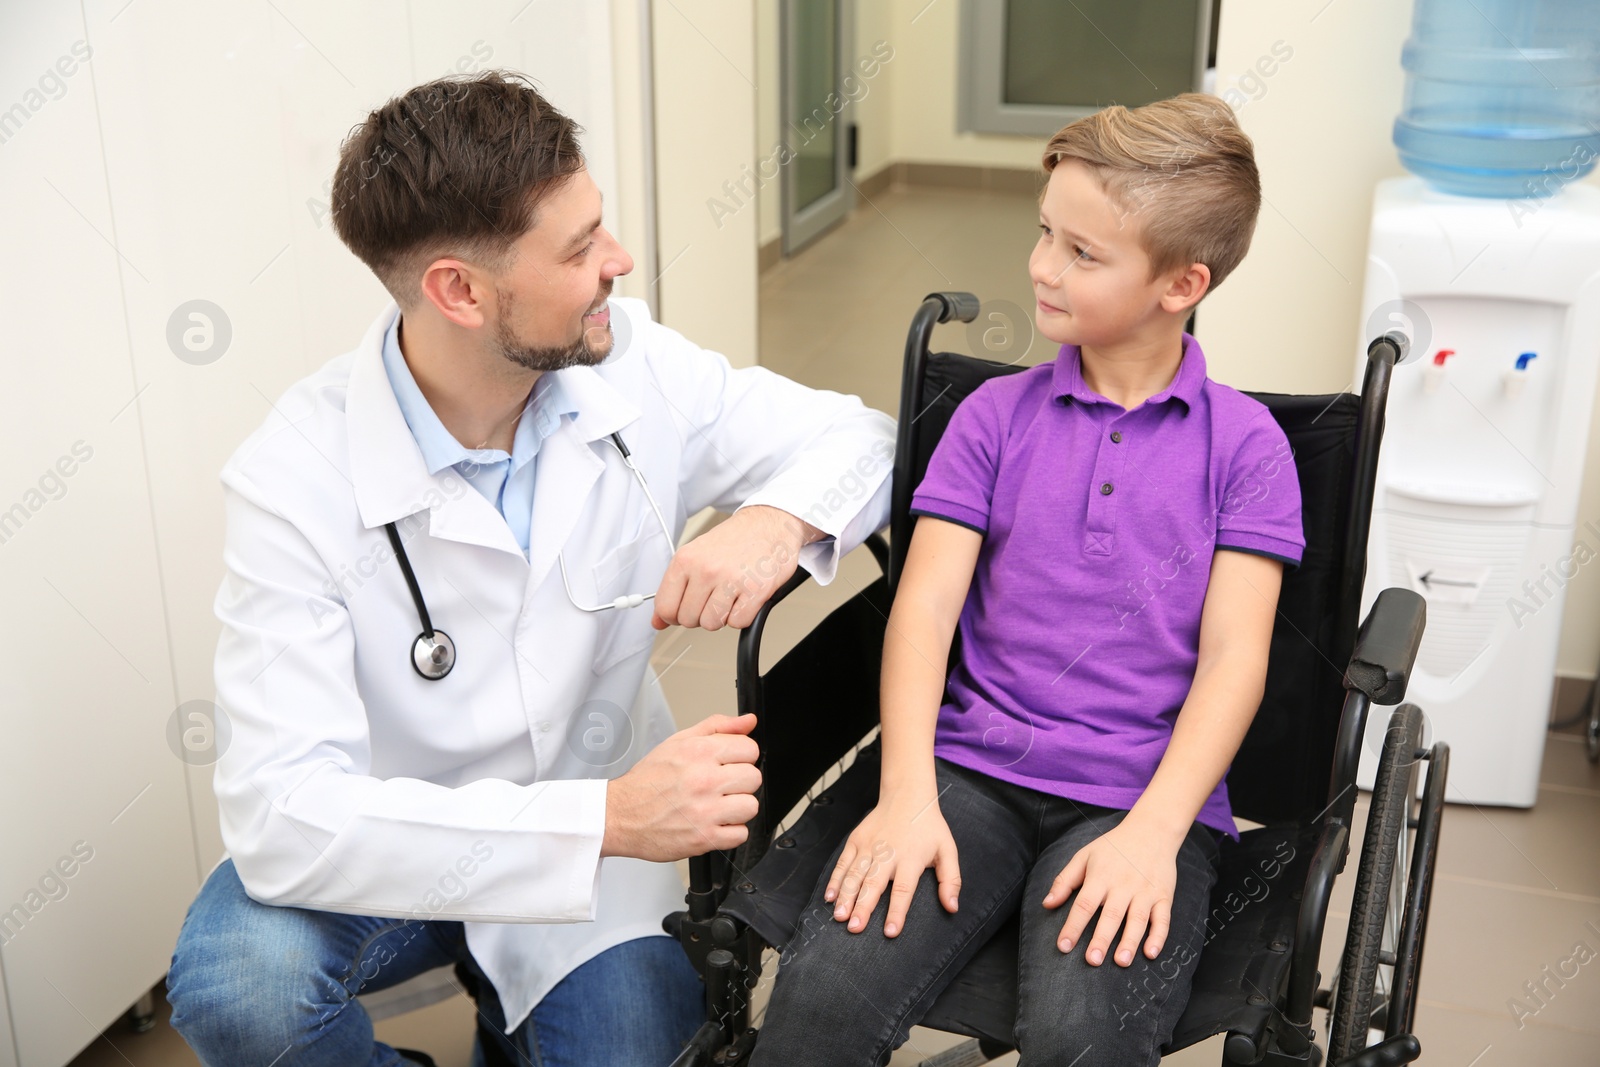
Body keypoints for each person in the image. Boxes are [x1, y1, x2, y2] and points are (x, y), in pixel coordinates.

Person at [164, 71, 894, 1067]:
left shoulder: (629, 368)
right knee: (240, 990)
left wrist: (773, 519)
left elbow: (869, 437)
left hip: (606, 858)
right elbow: (284, 818)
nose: (619, 261)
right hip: (402, 842)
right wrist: (605, 815)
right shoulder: (294, 478)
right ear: (460, 290)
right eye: (580, 246)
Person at [751, 93, 1305, 1066]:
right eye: (1045, 233)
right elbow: (921, 610)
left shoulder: (1246, 447)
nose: (1041, 266)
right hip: (965, 774)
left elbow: (1233, 659)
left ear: (1182, 282)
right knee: (820, 1002)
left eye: (1082, 253)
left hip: (1142, 797)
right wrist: (906, 791)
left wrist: (1153, 834)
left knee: (1083, 1041)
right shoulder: (991, 419)